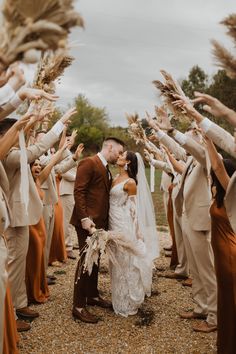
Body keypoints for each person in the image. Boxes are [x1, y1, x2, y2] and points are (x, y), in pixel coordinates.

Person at [71, 137, 125, 323]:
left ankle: (92, 295)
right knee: (86, 262)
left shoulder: (105, 167)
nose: (119, 156)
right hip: (87, 223)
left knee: (95, 260)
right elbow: (79, 191)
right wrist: (85, 218)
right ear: (109, 147)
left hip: (99, 222)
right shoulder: (89, 162)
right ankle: (78, 305)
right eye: (118, 152)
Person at [109, 151, 159, 316]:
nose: (119, 156)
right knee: (115, 260)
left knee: (126, 261)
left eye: (122, 155)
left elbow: (134, 210)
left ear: (128, 162)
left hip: (123, 224)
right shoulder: (115, 177)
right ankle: (118, 298)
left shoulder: (131, 183)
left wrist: (137, 233)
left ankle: (129, 300)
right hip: (112, 221)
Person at [204, 137, 236, 354]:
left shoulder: (232, 194)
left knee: (231, 299)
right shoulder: (217, 193)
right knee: (225, 298)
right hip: (219, 251)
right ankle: (225, 344)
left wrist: (207, 138)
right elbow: (212, 166)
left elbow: (216, 165)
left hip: (231, 254)